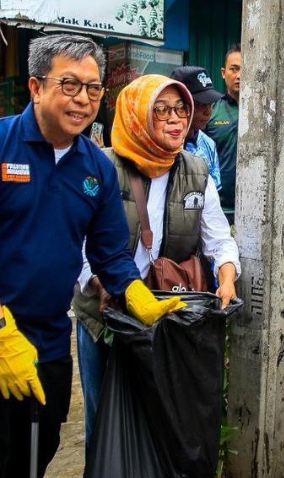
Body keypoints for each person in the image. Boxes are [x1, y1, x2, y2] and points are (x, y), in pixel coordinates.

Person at [0, 34, 181, 478]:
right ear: (35, 86)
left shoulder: (97, 165)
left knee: (36, 455)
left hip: (48, 343)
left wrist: (137, 296)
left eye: (93, 88)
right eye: (69, 85)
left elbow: (109, 252)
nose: (83, 99)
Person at [72, 74, 241, 451]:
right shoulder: (101, 166)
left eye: (181, 109)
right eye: (161, 110)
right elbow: (80, 244)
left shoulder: (196, 171)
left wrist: (227, 277)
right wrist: (107, 288)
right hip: (105, 314)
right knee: (105, 418)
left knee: (161, 416)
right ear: (136, 116)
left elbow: (218, 239)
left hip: (168, 315)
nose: (176, 118)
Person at [203, 44, 241, 223]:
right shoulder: (211, 110)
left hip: (257, 206)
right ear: (223, 73)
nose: (239, 75)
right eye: (234, 69)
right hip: (217, 208)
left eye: (245, 69)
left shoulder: (265, 111)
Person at [169, 65, 223, 188]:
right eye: (200, 104)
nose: (208, 112)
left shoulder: (208, 145)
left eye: (210, 104)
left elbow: (213, 193)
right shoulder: (161, 144)